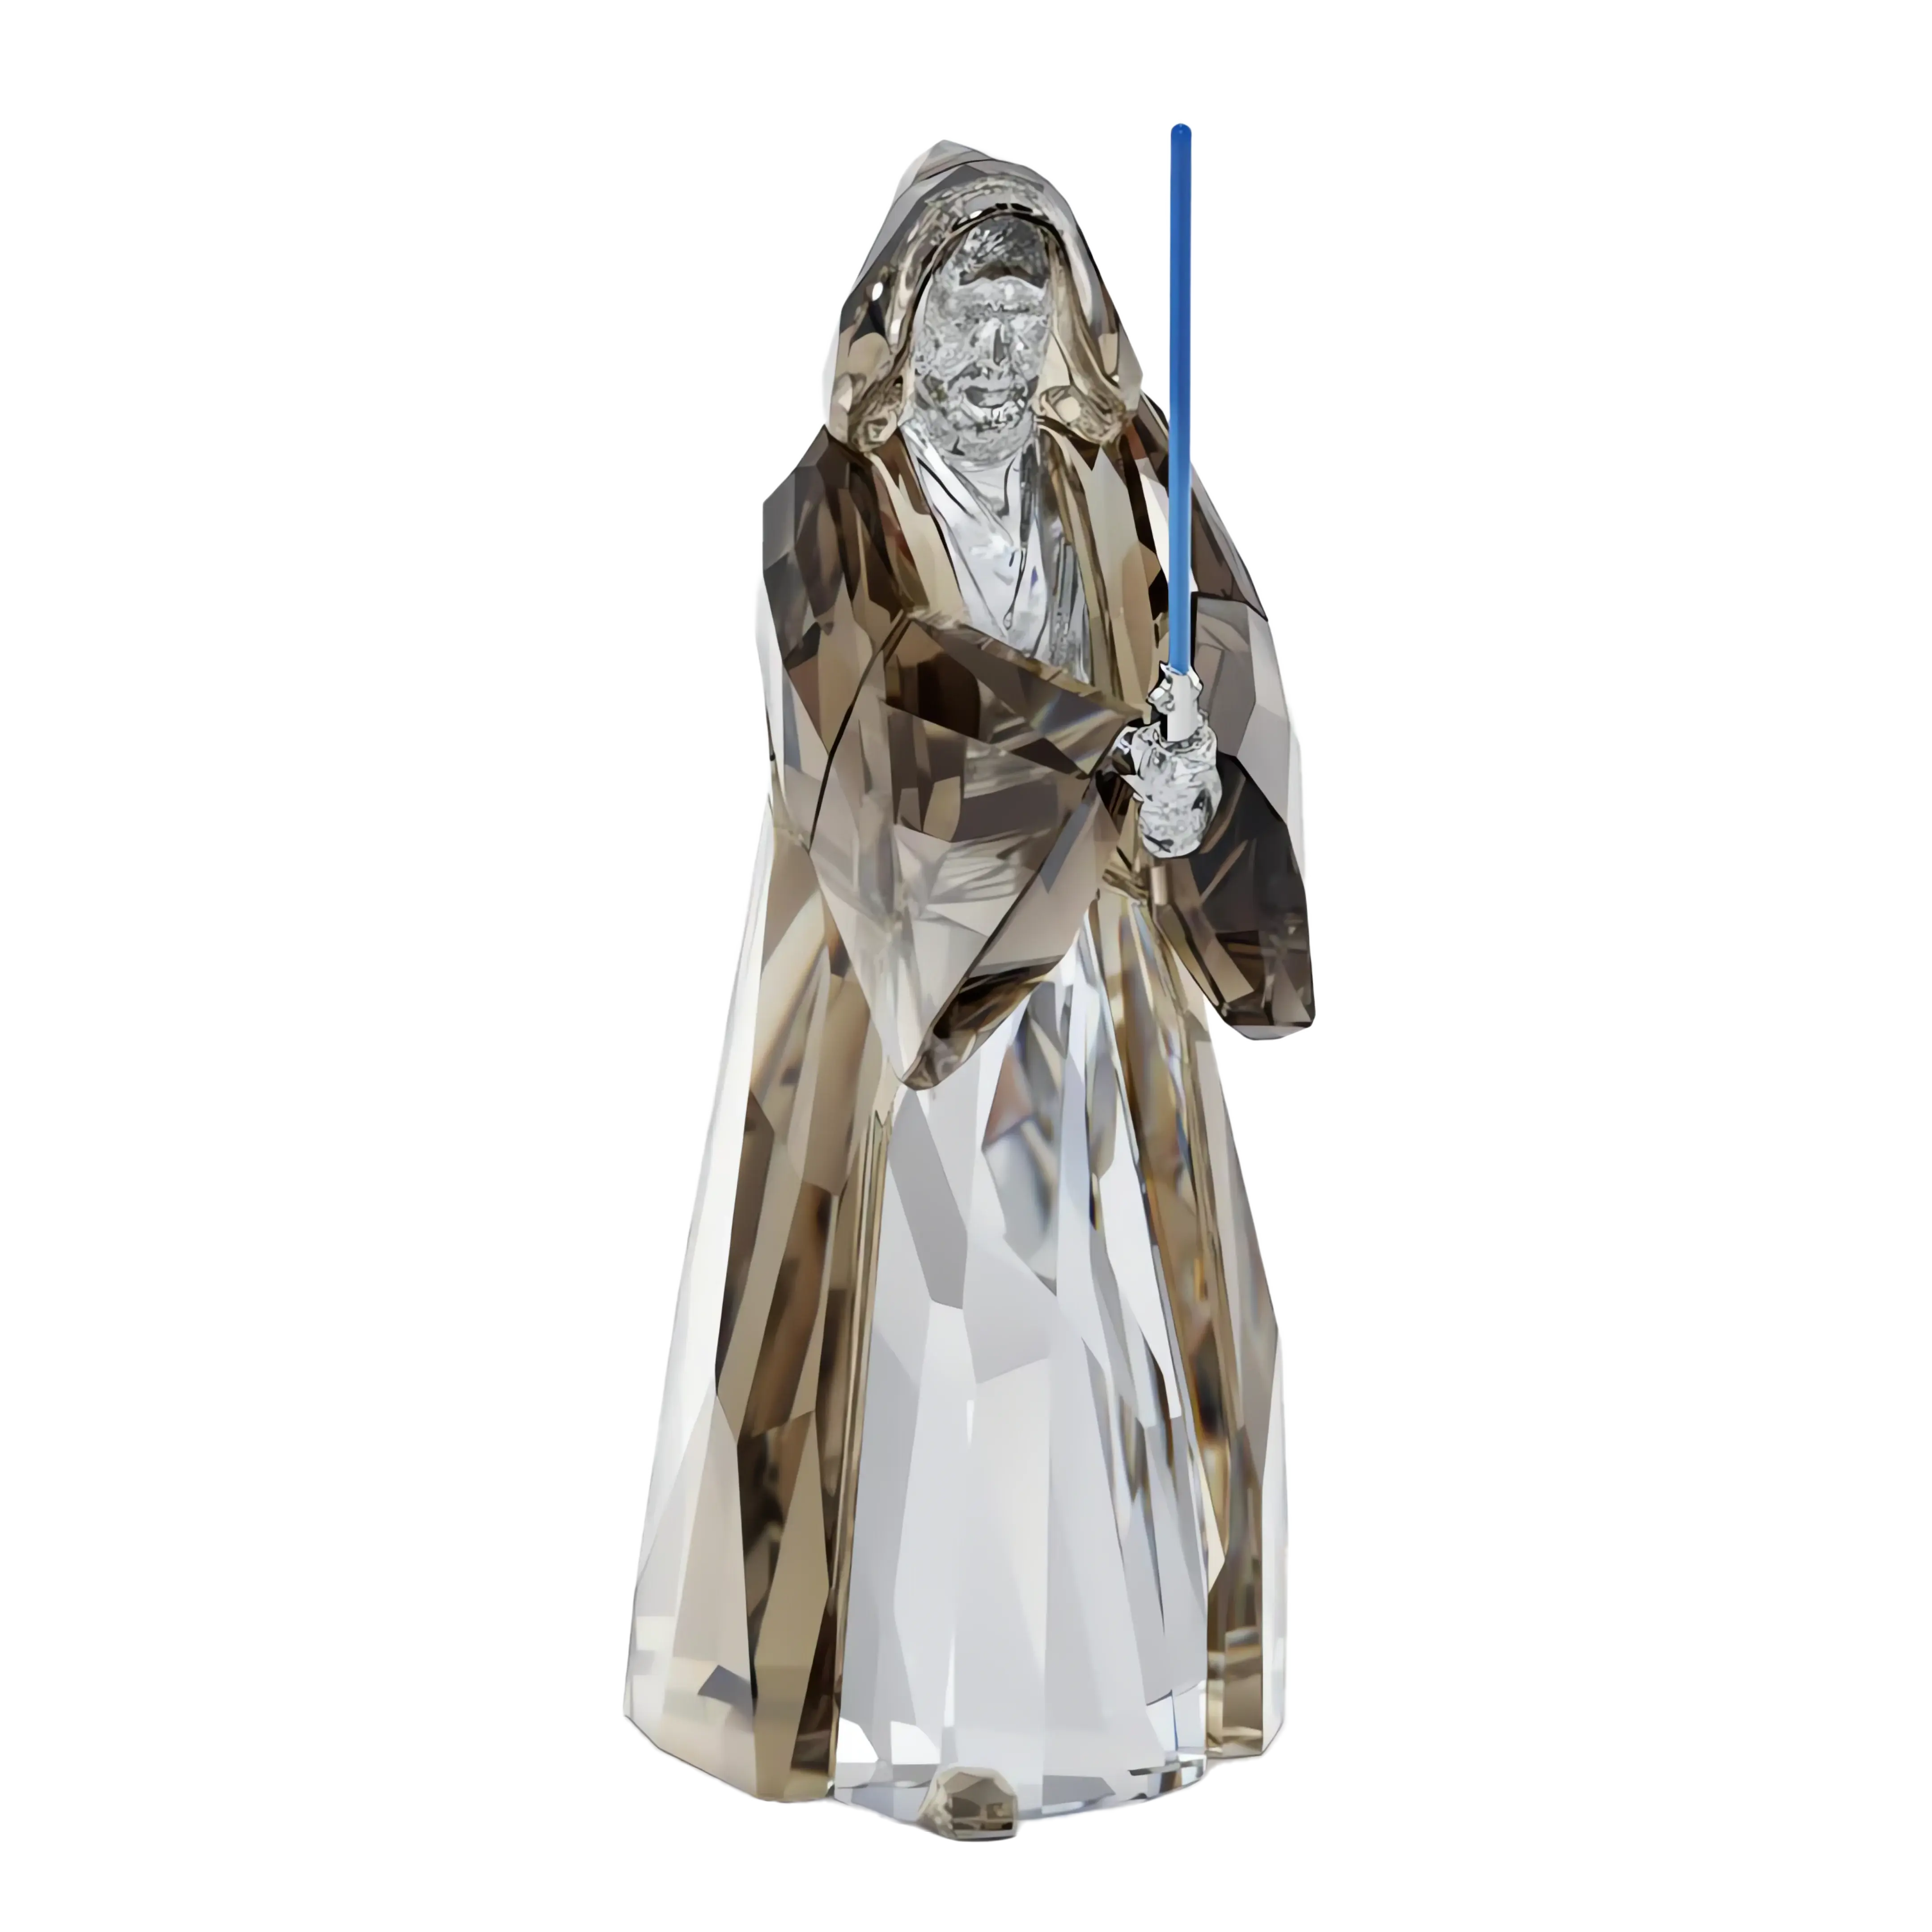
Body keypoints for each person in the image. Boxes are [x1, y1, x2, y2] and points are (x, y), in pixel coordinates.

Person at [627, 142, 1313, 1833]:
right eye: (966, 312)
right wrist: (1091, 764)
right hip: (908, 1021)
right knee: (932, 1346)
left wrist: (1188, 791)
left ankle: (1107, 1702)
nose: (1000, 349)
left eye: (1026, 310)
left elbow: (1220, 666)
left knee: (1093, 1336)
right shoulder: (828, 517)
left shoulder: (1130, 485)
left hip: (1100, 1028)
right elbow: (871, 727)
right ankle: (932, 1731)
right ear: (903, 329)